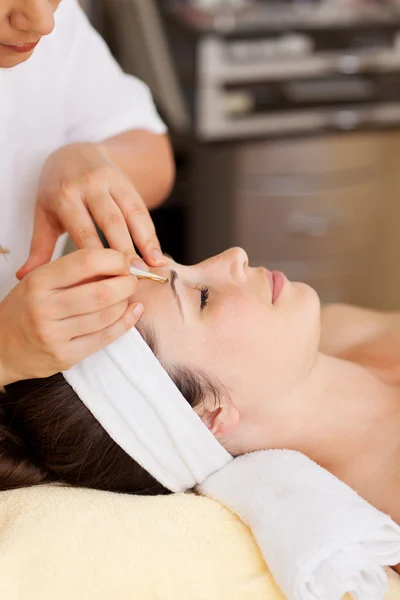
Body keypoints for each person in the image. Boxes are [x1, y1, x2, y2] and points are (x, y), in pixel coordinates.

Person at [3, 248, 400, 532]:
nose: (234, 255)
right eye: (202, 297)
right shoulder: (389, 502)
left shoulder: (341, 329)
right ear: (209, 416)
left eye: (185, 265)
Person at [0, 0, 174, 387]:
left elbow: (153, 157)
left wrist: (90, 157)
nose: (43, 23)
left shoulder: (55, 28)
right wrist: (5, 353)